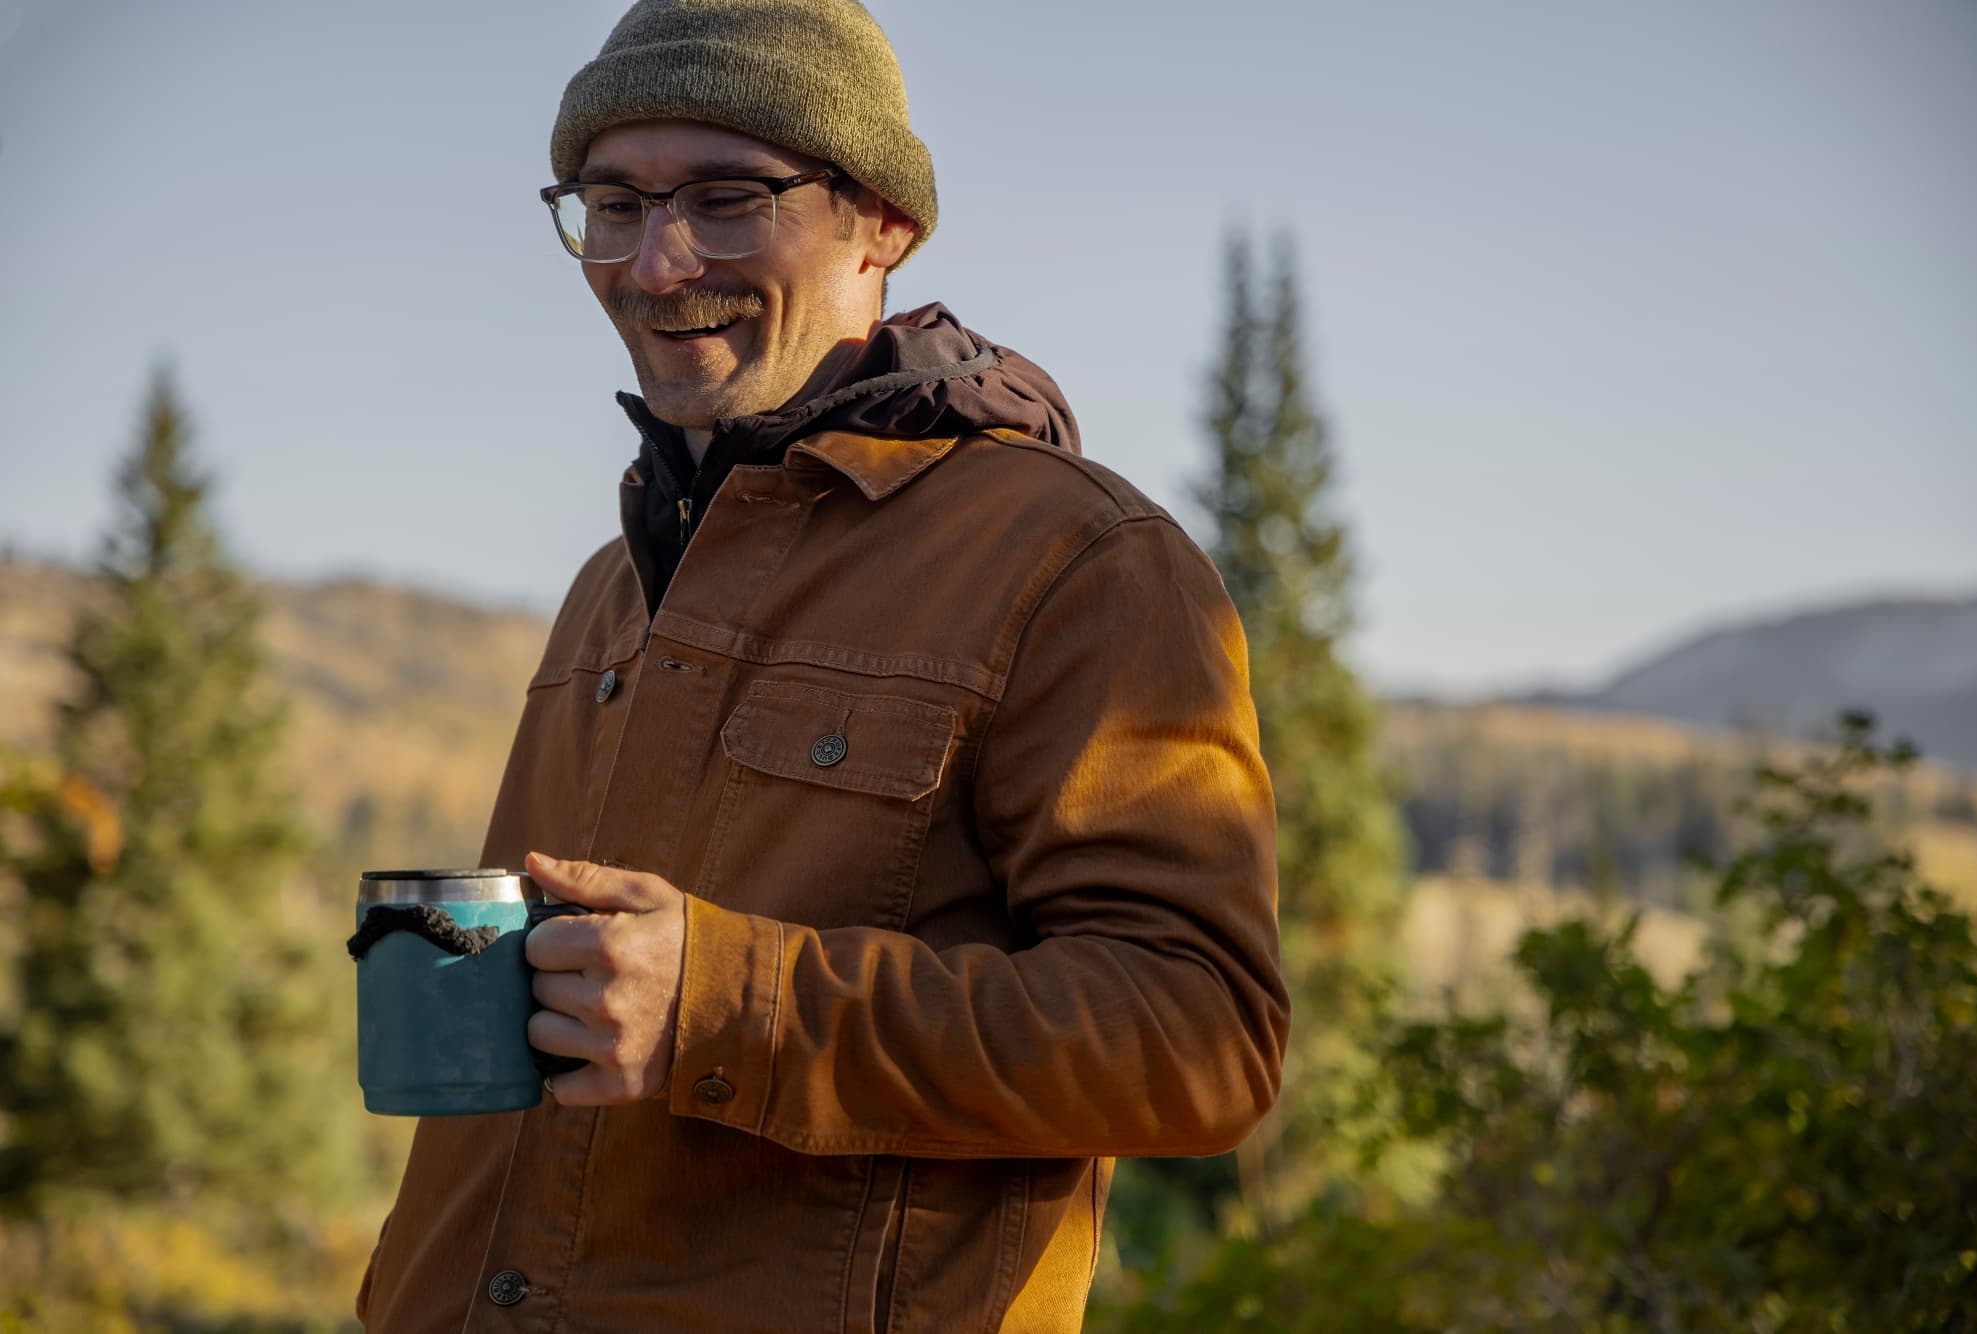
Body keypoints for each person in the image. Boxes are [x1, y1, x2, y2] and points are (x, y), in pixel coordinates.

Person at [356, 1, 1287, 1329]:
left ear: (884, 224)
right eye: (610, 203)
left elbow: (1203, 1039)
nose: (659, 262)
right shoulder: (606, 592)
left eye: (730, 198)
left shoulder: (1079, 560)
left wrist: (728, 1007)